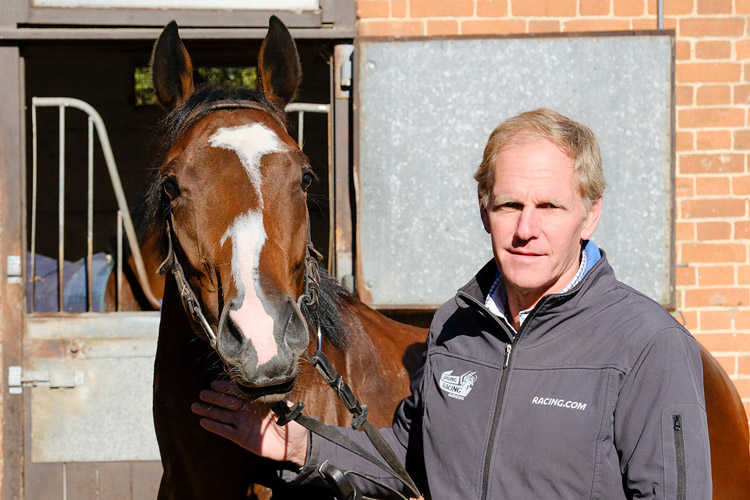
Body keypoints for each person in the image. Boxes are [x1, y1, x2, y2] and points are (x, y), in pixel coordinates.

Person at [191, 108, 712, 499]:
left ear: (589, 215)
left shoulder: (648, 345)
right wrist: (301, 447)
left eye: (549, 206)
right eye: (510, 205)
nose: (526, 230)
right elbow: (408, 460)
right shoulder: (456, 324)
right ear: (484, 210)